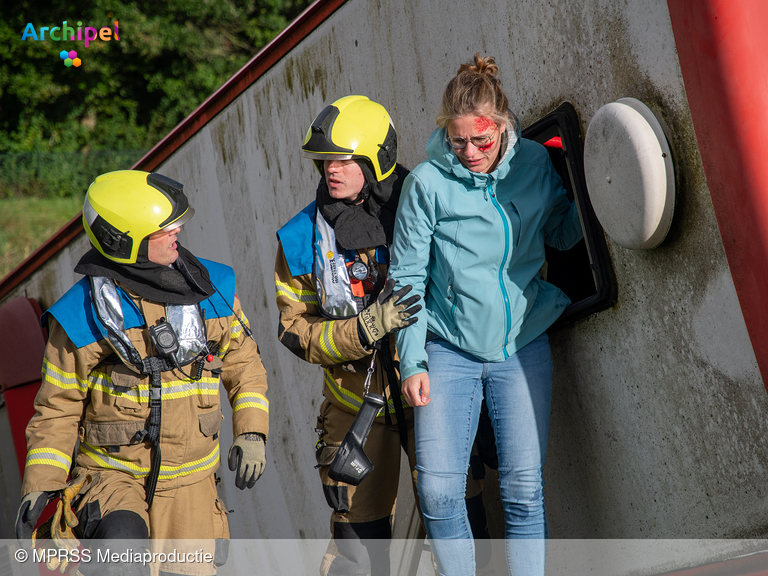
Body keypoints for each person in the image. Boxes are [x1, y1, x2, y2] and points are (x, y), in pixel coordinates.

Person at [15, 170, 270, 576]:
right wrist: (41, 484)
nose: (178, 232)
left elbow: (244, 363)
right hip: (112, 481)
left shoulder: (212, 290)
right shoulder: (79, 316)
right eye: (165, 228)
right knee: (122, 554)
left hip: (191, 488)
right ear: (126, 240)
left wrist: (252, 431)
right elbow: (57, 409)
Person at [389, 54, 584, 576]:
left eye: (481, 140)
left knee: (523, 489)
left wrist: (599, 187)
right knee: (438, 491)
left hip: (522, 342)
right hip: (447, 348)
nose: (470, 152)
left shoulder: (533, 166)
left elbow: (563, 233)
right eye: (457, 142)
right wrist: (412, 363)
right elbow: (405, 279)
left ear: (502, 127)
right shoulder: (427, 186)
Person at [274, 95, 423, 576]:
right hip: (355, 411)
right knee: (357, 555)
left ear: (377, 159)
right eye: (324, 162)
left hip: (433, 394)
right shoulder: (299, 238)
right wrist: (365, 330)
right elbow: (296, 332)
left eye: (342, 160)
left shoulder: (426, 205)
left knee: (464, 528)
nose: (330, 171)